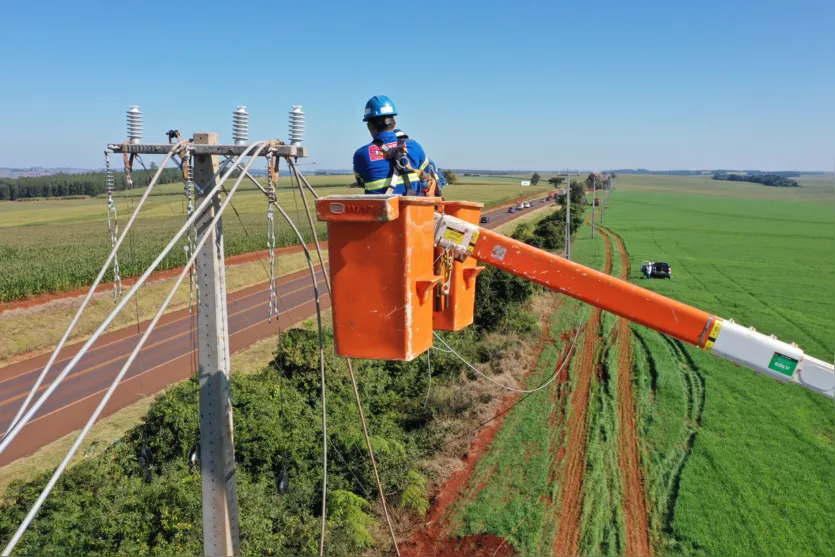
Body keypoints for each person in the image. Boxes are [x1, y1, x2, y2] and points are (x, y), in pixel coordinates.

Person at [353, 95, 432, 195]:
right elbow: (426, 175)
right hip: (413, 209)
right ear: (394, 123)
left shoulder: (361, 155)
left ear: (370, 126)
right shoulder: (414, 146)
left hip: (380, 210)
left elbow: (361, 182)